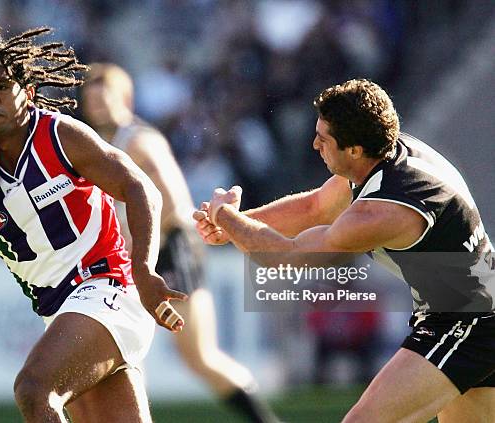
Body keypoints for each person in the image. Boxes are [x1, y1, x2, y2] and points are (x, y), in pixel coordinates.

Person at [0, 25, 188, 423]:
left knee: (34, 389)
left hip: (110, 288)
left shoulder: (59, 135)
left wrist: (144, 270)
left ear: (29, 93)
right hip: (62, 312)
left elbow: (142, 190)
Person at [194, 79, 495, 422]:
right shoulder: (382, 154)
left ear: (353, 149)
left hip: (469, 320)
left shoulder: (382, 211)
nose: (314, 145)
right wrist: (231, 226)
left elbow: (285, 256)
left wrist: (224, 215)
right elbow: (315, 207)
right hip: (472, 310)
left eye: (323, 139)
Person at [79, 63, 279, 423]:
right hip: (143, 254)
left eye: (103, 98)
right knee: (117, 352)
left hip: (169, 249)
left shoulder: (138, 141)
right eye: (90, 100)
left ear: (125, 97)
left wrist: (138, 251)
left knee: (198, 357)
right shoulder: (103, 145)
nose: (96, 107)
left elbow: (172, 203)